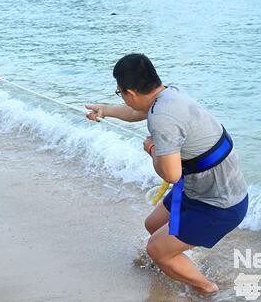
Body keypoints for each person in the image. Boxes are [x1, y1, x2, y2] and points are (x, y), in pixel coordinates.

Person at [85, 53, 248, 294]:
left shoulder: (162, 119)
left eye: (119, 94)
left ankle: (207, 289)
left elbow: (171, 174)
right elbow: (136, 112)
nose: (123, 99)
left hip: (220, 204)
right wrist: (105, 110)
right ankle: (175, 259)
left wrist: (151, 149)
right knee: (152, 225)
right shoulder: (169, 95)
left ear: (130, 92)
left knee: (155, 250)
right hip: (200, 189)